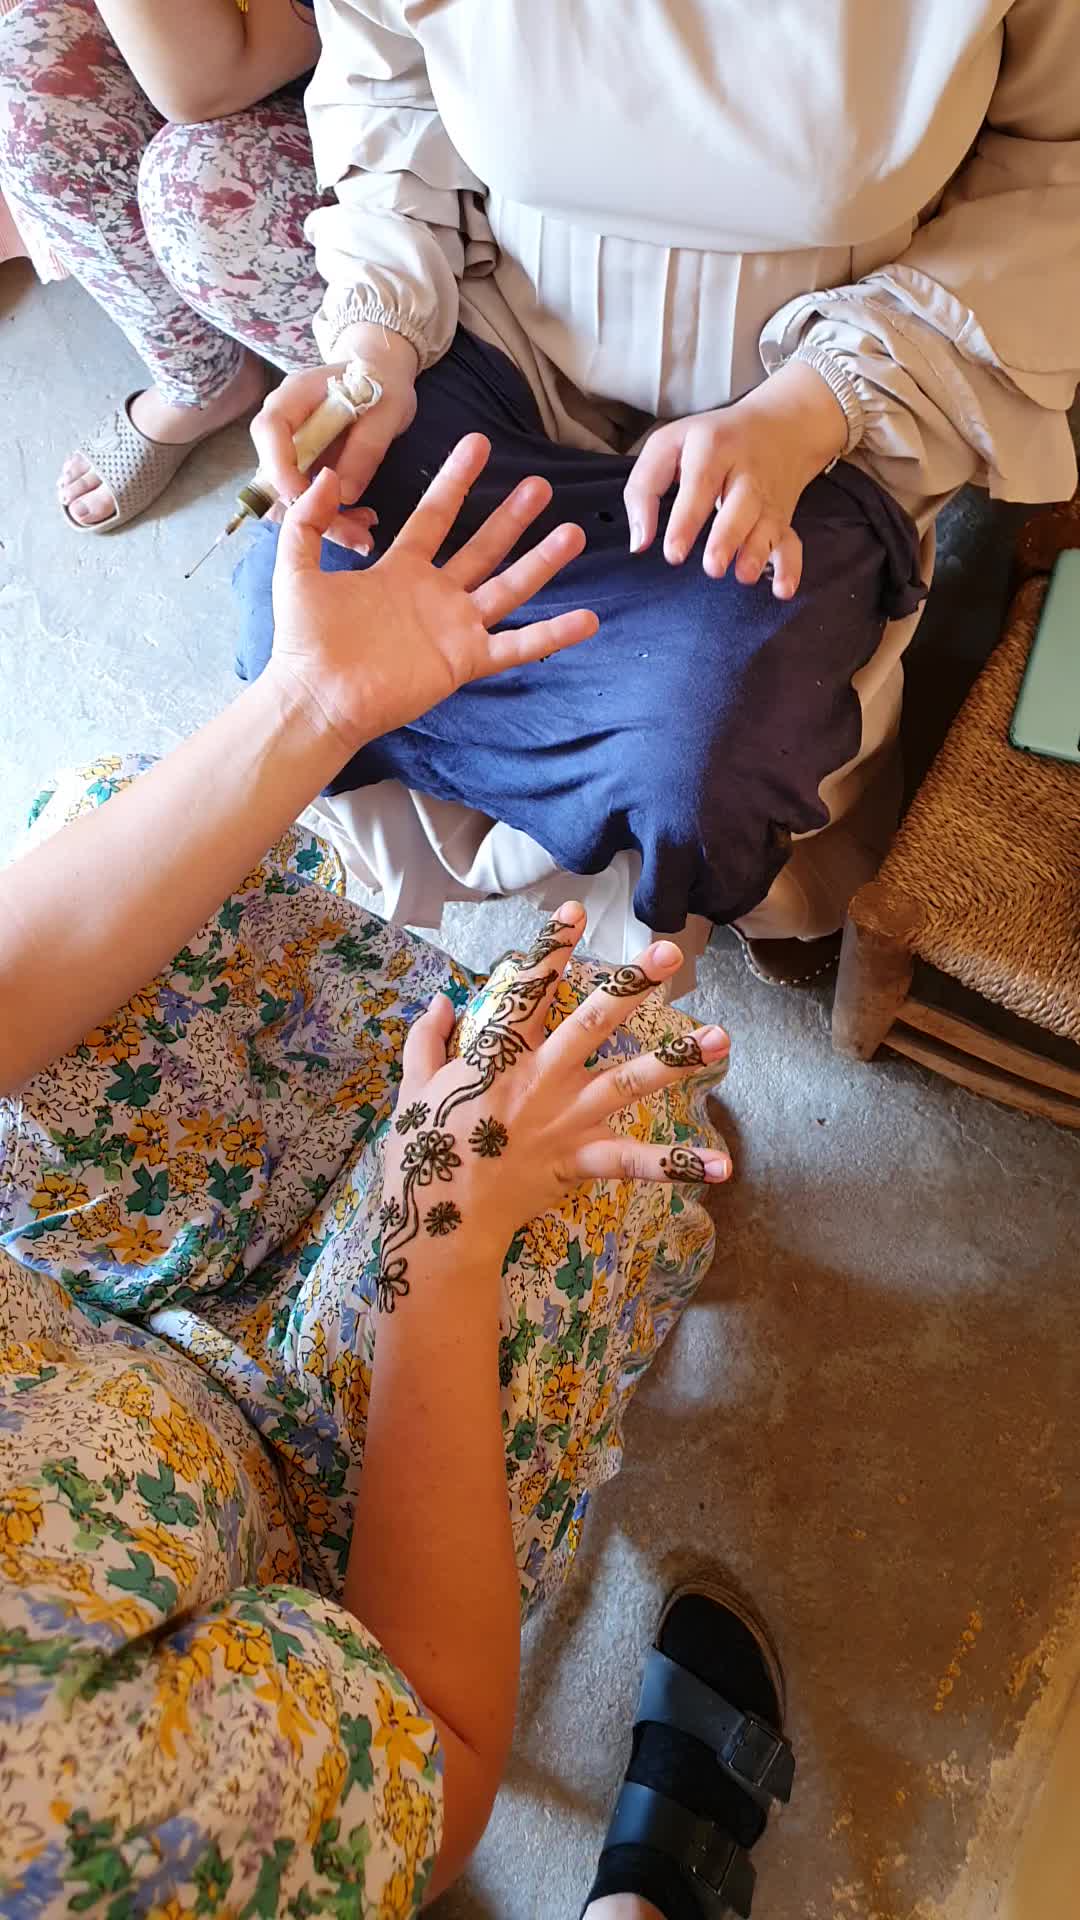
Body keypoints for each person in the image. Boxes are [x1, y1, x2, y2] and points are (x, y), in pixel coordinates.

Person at [0, 439, 794, 1917]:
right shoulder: (52, 1826)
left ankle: (438, 1088)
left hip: (73, 1323)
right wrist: (440, 1227)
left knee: (102, 826)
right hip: (300, 1552)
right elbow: (435, 1762)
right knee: (598, 1068)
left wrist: (308, 706)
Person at [234, 0, 1080, 986]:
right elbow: (388, 90)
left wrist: (809, 410)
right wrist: (374, 341)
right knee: (300, 604)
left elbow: (1053, 170)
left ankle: (695, 906)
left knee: (695, 742)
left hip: (834, 374)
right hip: (504, 325)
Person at [0, 0, 323, 531]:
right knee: (26, 73)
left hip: (402, 131)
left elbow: (202, 84)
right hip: (252, 59)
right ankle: (204, 378)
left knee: (203, 190)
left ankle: (366, 383)